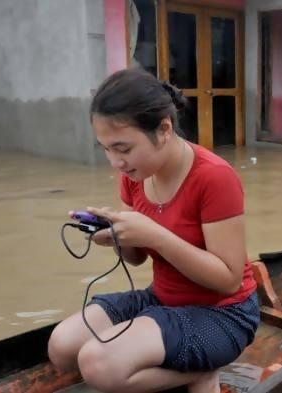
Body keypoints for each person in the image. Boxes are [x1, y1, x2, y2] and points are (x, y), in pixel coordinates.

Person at [48, 68, 259, 393]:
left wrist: (155, 235)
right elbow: (136, 259)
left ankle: (199, 373)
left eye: (123, 148)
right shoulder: (135, 174)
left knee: (97, 364)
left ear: (163, 129)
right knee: (62, 347)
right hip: (162, 299)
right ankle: (186, 367)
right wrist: (117, 237)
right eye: (106, 149)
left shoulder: (214, 178)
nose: (115, 162)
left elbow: (229, 279)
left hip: (222, 313)